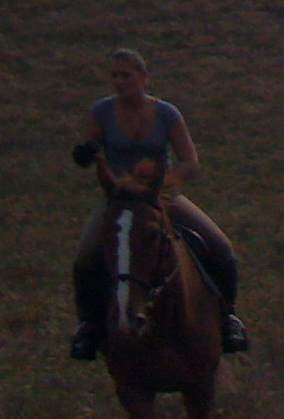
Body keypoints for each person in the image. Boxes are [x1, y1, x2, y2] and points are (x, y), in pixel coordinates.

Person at [69, 48, 249, 359]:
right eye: (114, 76)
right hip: (120, 201)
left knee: (221, 248)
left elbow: (190, 161)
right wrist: (86, 152)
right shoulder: (102, 111)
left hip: (161, 196)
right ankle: (88, 327)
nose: (119, 82)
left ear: (144, 78)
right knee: (85, 258)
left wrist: (160, 184)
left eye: (125, 75)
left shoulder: (167, 114)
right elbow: (92, 145)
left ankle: (229, 317)